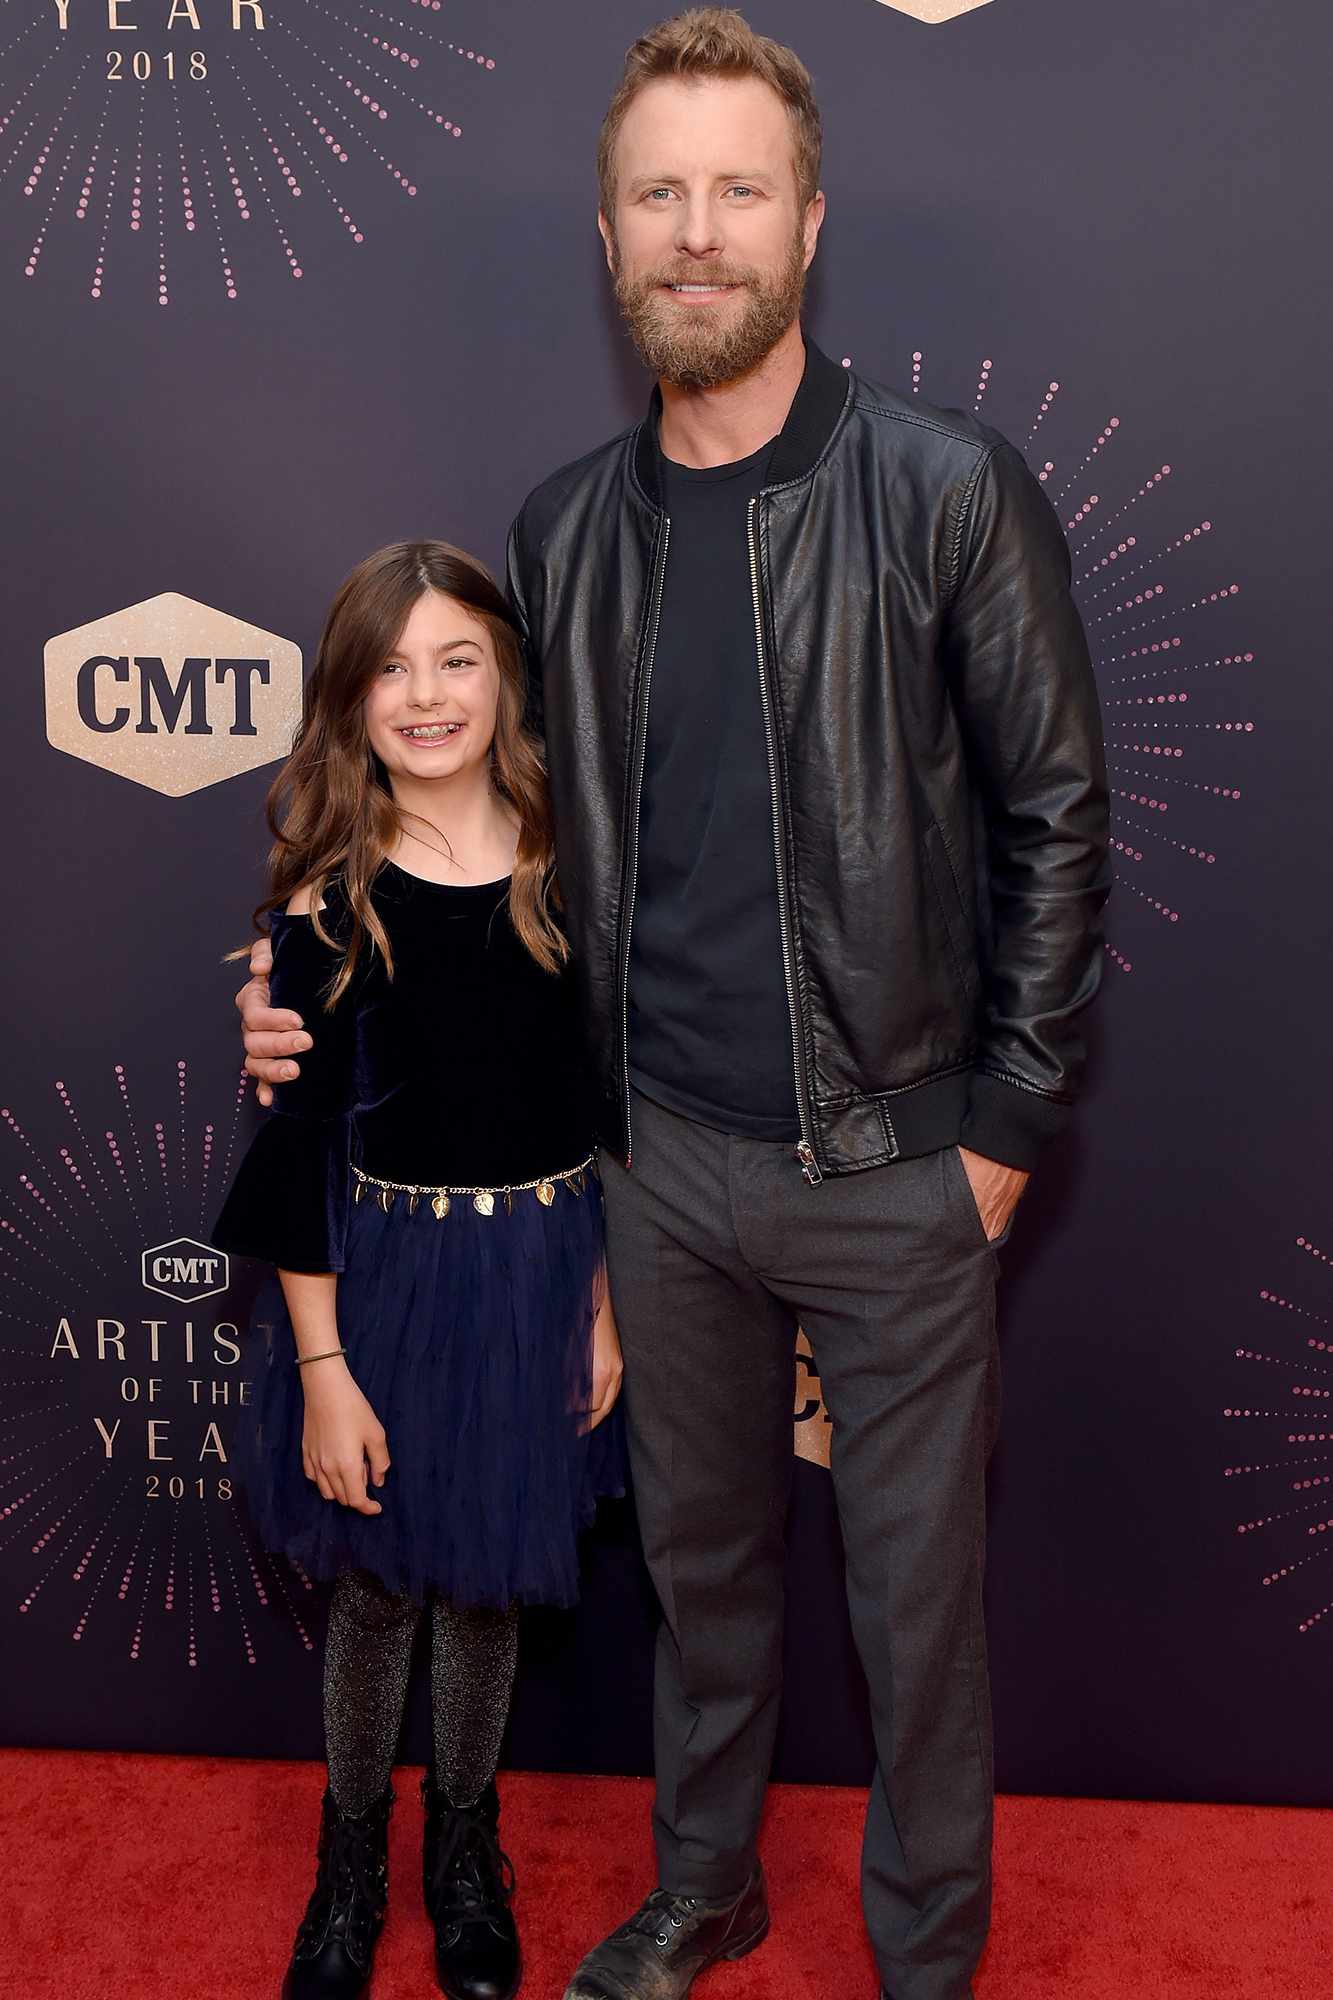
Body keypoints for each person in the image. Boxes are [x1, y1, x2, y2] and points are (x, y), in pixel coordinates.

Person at [237, 12, 1111, 1999]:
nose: (695, 231)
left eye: (736, 190)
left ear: (808, 219)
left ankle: (923, 1961)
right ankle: (704, 1887)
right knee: (702, 1587)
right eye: (659, 193)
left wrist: (994, 1137)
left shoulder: (950, 490)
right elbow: (501, 834)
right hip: (658, 1173)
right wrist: (301, 942)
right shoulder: (564, 532)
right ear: (604, 234)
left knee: (914, 1612)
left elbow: (1060, 821)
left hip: (898, 1168)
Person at [212, 540, 624, 2000]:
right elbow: (298, 1153)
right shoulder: (333, 900)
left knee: (486, 1591)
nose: (426, 693)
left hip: (539, 1278)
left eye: (456, 658)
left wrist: (604, 1305)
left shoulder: (581, 864)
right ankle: (349, 1862)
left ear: (506, 672)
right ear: (349, 699)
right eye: (390, 667)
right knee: (379, 1589)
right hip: (380, 1285)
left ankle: (464, 1851)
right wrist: (322, 1371)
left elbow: (613, 1105)